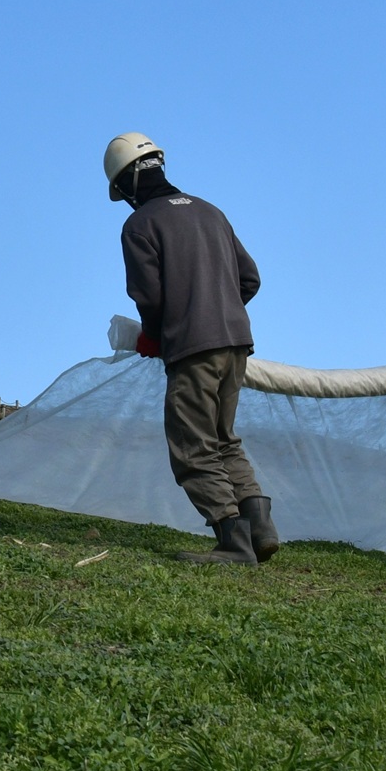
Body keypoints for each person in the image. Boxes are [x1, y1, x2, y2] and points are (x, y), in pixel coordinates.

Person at [108, 133, 277, 566]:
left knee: (192, 445)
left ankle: (233, 542)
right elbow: (249, 280)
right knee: (224, 439)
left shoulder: (140, 224)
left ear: (126, 185)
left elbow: (149, 297)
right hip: (236, 342)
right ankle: (259, 528)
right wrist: (218, 309)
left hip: (192, 349)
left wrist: (154, 335)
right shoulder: (210, 211)